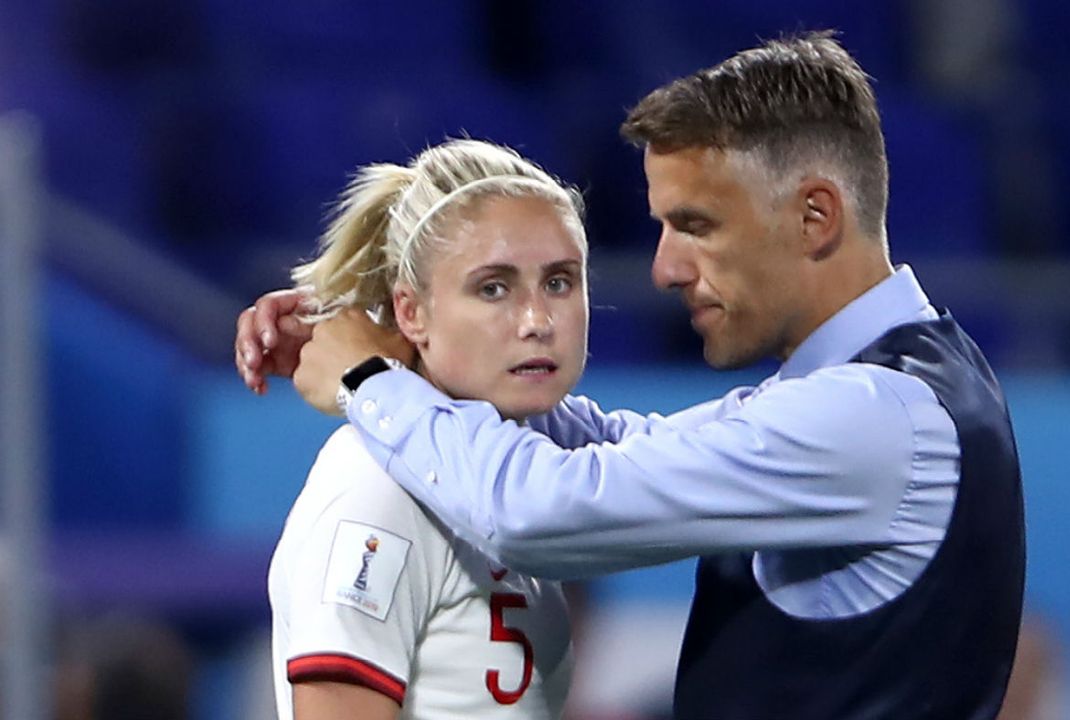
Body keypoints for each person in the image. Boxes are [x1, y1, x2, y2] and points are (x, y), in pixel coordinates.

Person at [237, 32, 1025, 719]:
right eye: (492, 287)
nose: (665, 269)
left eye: (696, 226)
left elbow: (542, 506)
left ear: (815, 216)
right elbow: (612, 447)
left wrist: (372, 379)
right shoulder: (895, 386)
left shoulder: (872, 416)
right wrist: (414, 362)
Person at [266, 139, 587, 719]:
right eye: (494, 288)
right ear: (411, 312)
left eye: (560, 282)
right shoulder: (377, 487)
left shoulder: (527, 459)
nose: (538, 321)